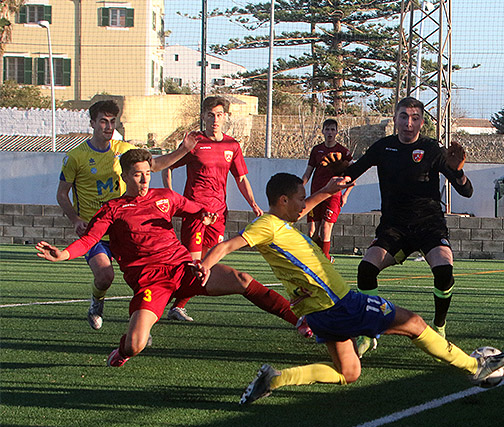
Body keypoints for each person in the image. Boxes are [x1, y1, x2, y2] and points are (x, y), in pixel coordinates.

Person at [197, 172, 504, 405]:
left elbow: (305, 206)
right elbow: (229, 245)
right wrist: (206, 264)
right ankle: (477, 367)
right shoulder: (266, 225)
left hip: (321, 312)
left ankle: (276, 378)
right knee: (414, 323)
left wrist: (326, 190)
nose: (302, 205)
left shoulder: (280, 222)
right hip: (338, 303)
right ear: (282, 201)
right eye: (297, 199)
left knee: (348, 372)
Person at [37, 149, 312, 367]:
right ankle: (121, 351)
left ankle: (300, 321)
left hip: (184, 268)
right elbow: (89, 240)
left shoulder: (164, 197)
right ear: (125, 176)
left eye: (147, 173)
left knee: (242, 279)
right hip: (150, 282)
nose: (144, 180)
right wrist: (63, 254)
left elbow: (195, 209)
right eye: (137, 175)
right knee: (135, 345)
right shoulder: (113, 209)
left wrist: (205, 215)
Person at [338, 97, 472, 347]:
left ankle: (439, 327)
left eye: (414, 118)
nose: (408, 123)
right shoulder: (383, 147)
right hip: (394, 226)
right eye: (403, 116)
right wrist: (337, 176)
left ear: (422, 122)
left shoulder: (433, 149)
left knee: (444, 271)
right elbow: (353, 172)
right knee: (366, 270)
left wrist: (459, 172)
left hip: (429, 224)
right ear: (395, 118)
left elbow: (466, 192)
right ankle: (368, 332)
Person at [57, 100, 197, 330]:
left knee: (143, 280)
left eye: (113, 122)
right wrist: (75, 219)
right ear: (92, 123)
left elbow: (153, 165)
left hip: (125, 229)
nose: (108, 126)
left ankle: (141, 327)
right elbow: (62, 194)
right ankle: (97, 301)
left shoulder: (123, 150)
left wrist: (183, 150)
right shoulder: (76, 157)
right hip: (97, 230)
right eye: (103, 121)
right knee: (104, 277)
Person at [162, 96, 264, 322]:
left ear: (225, 117)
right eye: (210, 115)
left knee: (208, 263)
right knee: (193, 263)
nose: (215, 120)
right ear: (203, 117)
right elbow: (167, 166)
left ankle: (177, 305)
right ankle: (162, 300)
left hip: (218, 213)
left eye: (219, 115)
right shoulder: (193, 142)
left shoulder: (232, 145)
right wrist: (171, 197)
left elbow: (241, 178)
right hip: (195, 212)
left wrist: (253, 204)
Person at [301, 118, 354, 260]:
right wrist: (299, 189)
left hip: (333, 195)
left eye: (332, 129)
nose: (330, 132)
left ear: (337, 132)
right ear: (323, 131)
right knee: (312, 230)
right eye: (327, 129)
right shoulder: (316, 150)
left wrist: (346, 194)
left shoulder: (343, 152)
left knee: (326, 227)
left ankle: (325, 259)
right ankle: (313, 259)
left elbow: (354, 174)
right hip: (316, 194)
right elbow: (308, 172)